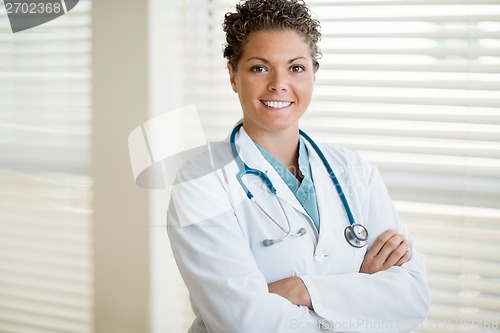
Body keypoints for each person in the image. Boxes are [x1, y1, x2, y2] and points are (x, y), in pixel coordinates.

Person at [167, 0, 430, 332]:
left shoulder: (354, 171)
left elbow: (411, 301)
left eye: (296, 67)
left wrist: (301, 290)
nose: (279, 83)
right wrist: (357, 291)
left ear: (313, 75)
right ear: (233, 76)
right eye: (259, 68)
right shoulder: (201, 180)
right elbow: (246, 324)